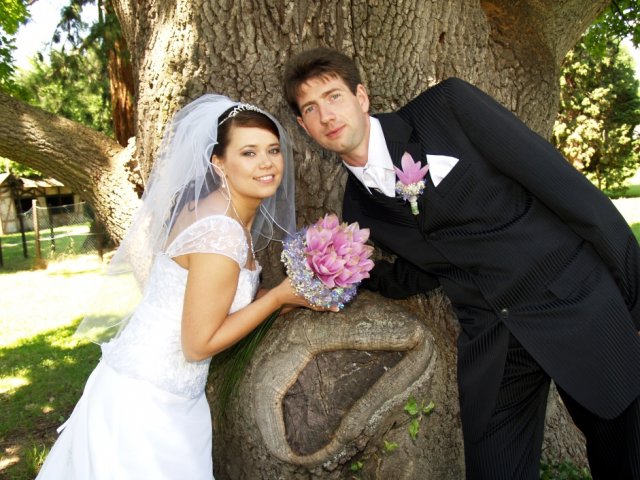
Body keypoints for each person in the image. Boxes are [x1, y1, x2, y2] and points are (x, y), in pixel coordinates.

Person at [283, 47, 640, 479]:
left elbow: (568, 190)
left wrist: (636, 298)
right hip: (495, 343)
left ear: (361, 97)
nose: (326, 115)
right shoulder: (358, 208)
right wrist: (341, 273)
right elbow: (426, 267)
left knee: (625, 460)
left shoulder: (446, 108)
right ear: (303, 126)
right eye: (311, 108)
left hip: (572, 304)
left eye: (334, 96)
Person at [36, 95, 321, 480]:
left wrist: (292, 297)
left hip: (150, 387)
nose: (267, 162)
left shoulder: (214, 210)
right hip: (148, 406)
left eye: (272, 150)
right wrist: (277, 298)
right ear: (218, 163)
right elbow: (197, 345)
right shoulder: (221, 234)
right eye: (249, 153)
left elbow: (219, 301)